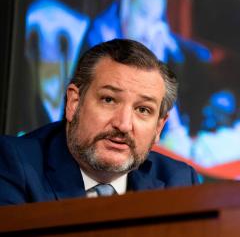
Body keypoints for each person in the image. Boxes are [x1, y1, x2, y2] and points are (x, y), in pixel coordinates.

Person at [0, 39, 198, 206]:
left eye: (143, 110)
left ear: (158, 127)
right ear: (74, 103)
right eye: (109, 100)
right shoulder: (14, 164)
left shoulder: (178, 181)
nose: (123, 124)